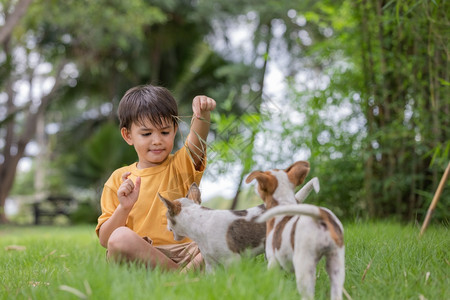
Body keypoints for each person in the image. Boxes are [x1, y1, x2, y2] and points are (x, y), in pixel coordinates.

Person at [95, 84, 216, 272]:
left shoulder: (182, 164)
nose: (157, 140)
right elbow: (106, 239)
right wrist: (124, 207)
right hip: (144, 256)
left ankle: (177, 278)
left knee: (227, 232)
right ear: (128, 135)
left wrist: (203, 113)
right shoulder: (118, 179)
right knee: (119, 238)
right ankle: (181, 277)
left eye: (165, 132)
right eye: (146, 133)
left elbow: (198, 136)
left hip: (189, 253)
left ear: (175, 130)